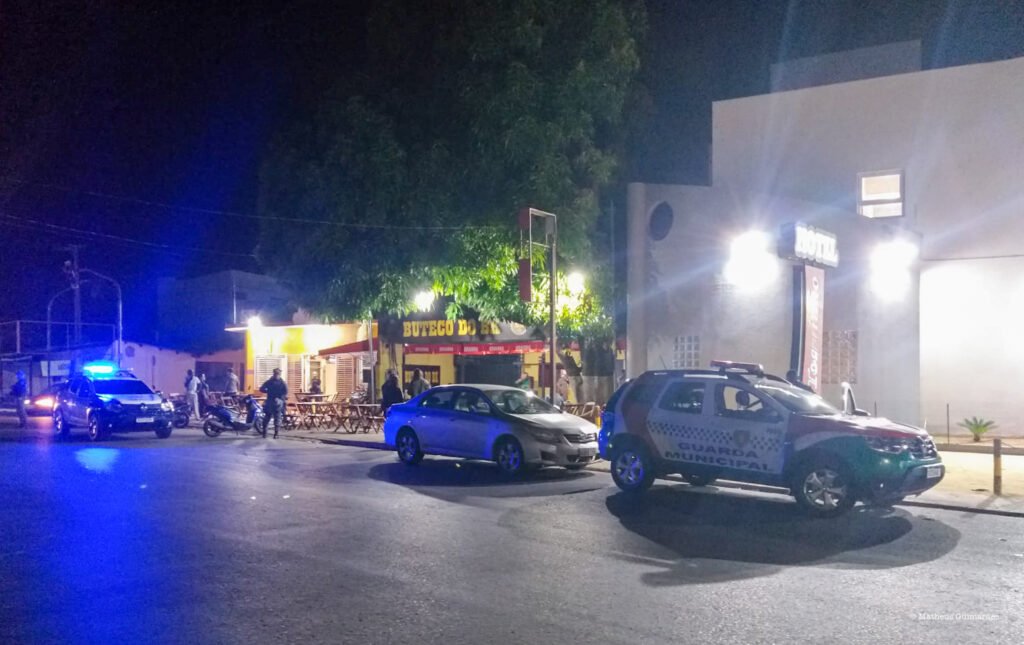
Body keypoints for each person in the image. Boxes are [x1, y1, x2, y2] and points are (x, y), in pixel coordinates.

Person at [259, 368, 288, 438]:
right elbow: (286, 392)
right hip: (277, 401)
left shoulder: (269, 381)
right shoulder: (282, 382)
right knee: (276, 417)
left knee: (268, 417)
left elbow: (261, 389)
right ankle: (275, 434)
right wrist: (282, 398)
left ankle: (265, 433)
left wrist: (268, 391)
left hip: (270, 400)